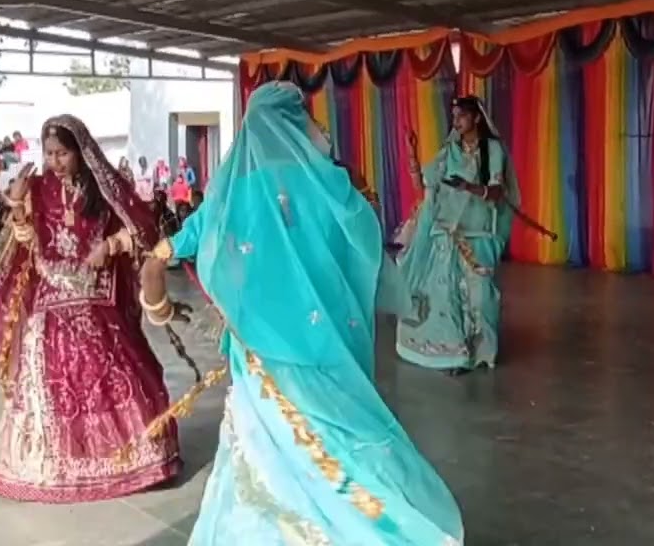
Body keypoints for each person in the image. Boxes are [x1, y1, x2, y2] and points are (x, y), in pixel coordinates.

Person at [135, 82, 464, 545]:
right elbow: (363, 233)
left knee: (264, 440)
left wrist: (161, 302)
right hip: (324, 338)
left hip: (259, 351)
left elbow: (175, 247)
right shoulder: (327, 182)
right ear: (295, 120)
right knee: (336, 432)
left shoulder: (232, 192)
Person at [0, 114, 181, 503]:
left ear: (80, 152)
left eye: (62, 153)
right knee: (48, 365)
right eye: (49, 153)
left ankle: (134, 458)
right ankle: (56, 463)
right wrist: (17, 204)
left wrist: (110, 245)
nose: (55, 162)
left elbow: (140, 229)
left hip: (96, 292)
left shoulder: (105, 187)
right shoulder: (36, 188)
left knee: (117, 365)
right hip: (50, 293)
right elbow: (26, 240)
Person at [396, 95, 516, 376]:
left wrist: (469, 187)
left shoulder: (492, 149)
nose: (456, 121)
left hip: (479, 232)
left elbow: (498, 192)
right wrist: (412, 153)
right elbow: (423, 186)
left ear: (476, 118)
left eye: (462, 115)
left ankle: (483, 353)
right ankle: (454, 354)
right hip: (446, 231)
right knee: (445, 294)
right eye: (454, 116)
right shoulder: (448, 151)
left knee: (480, 295)